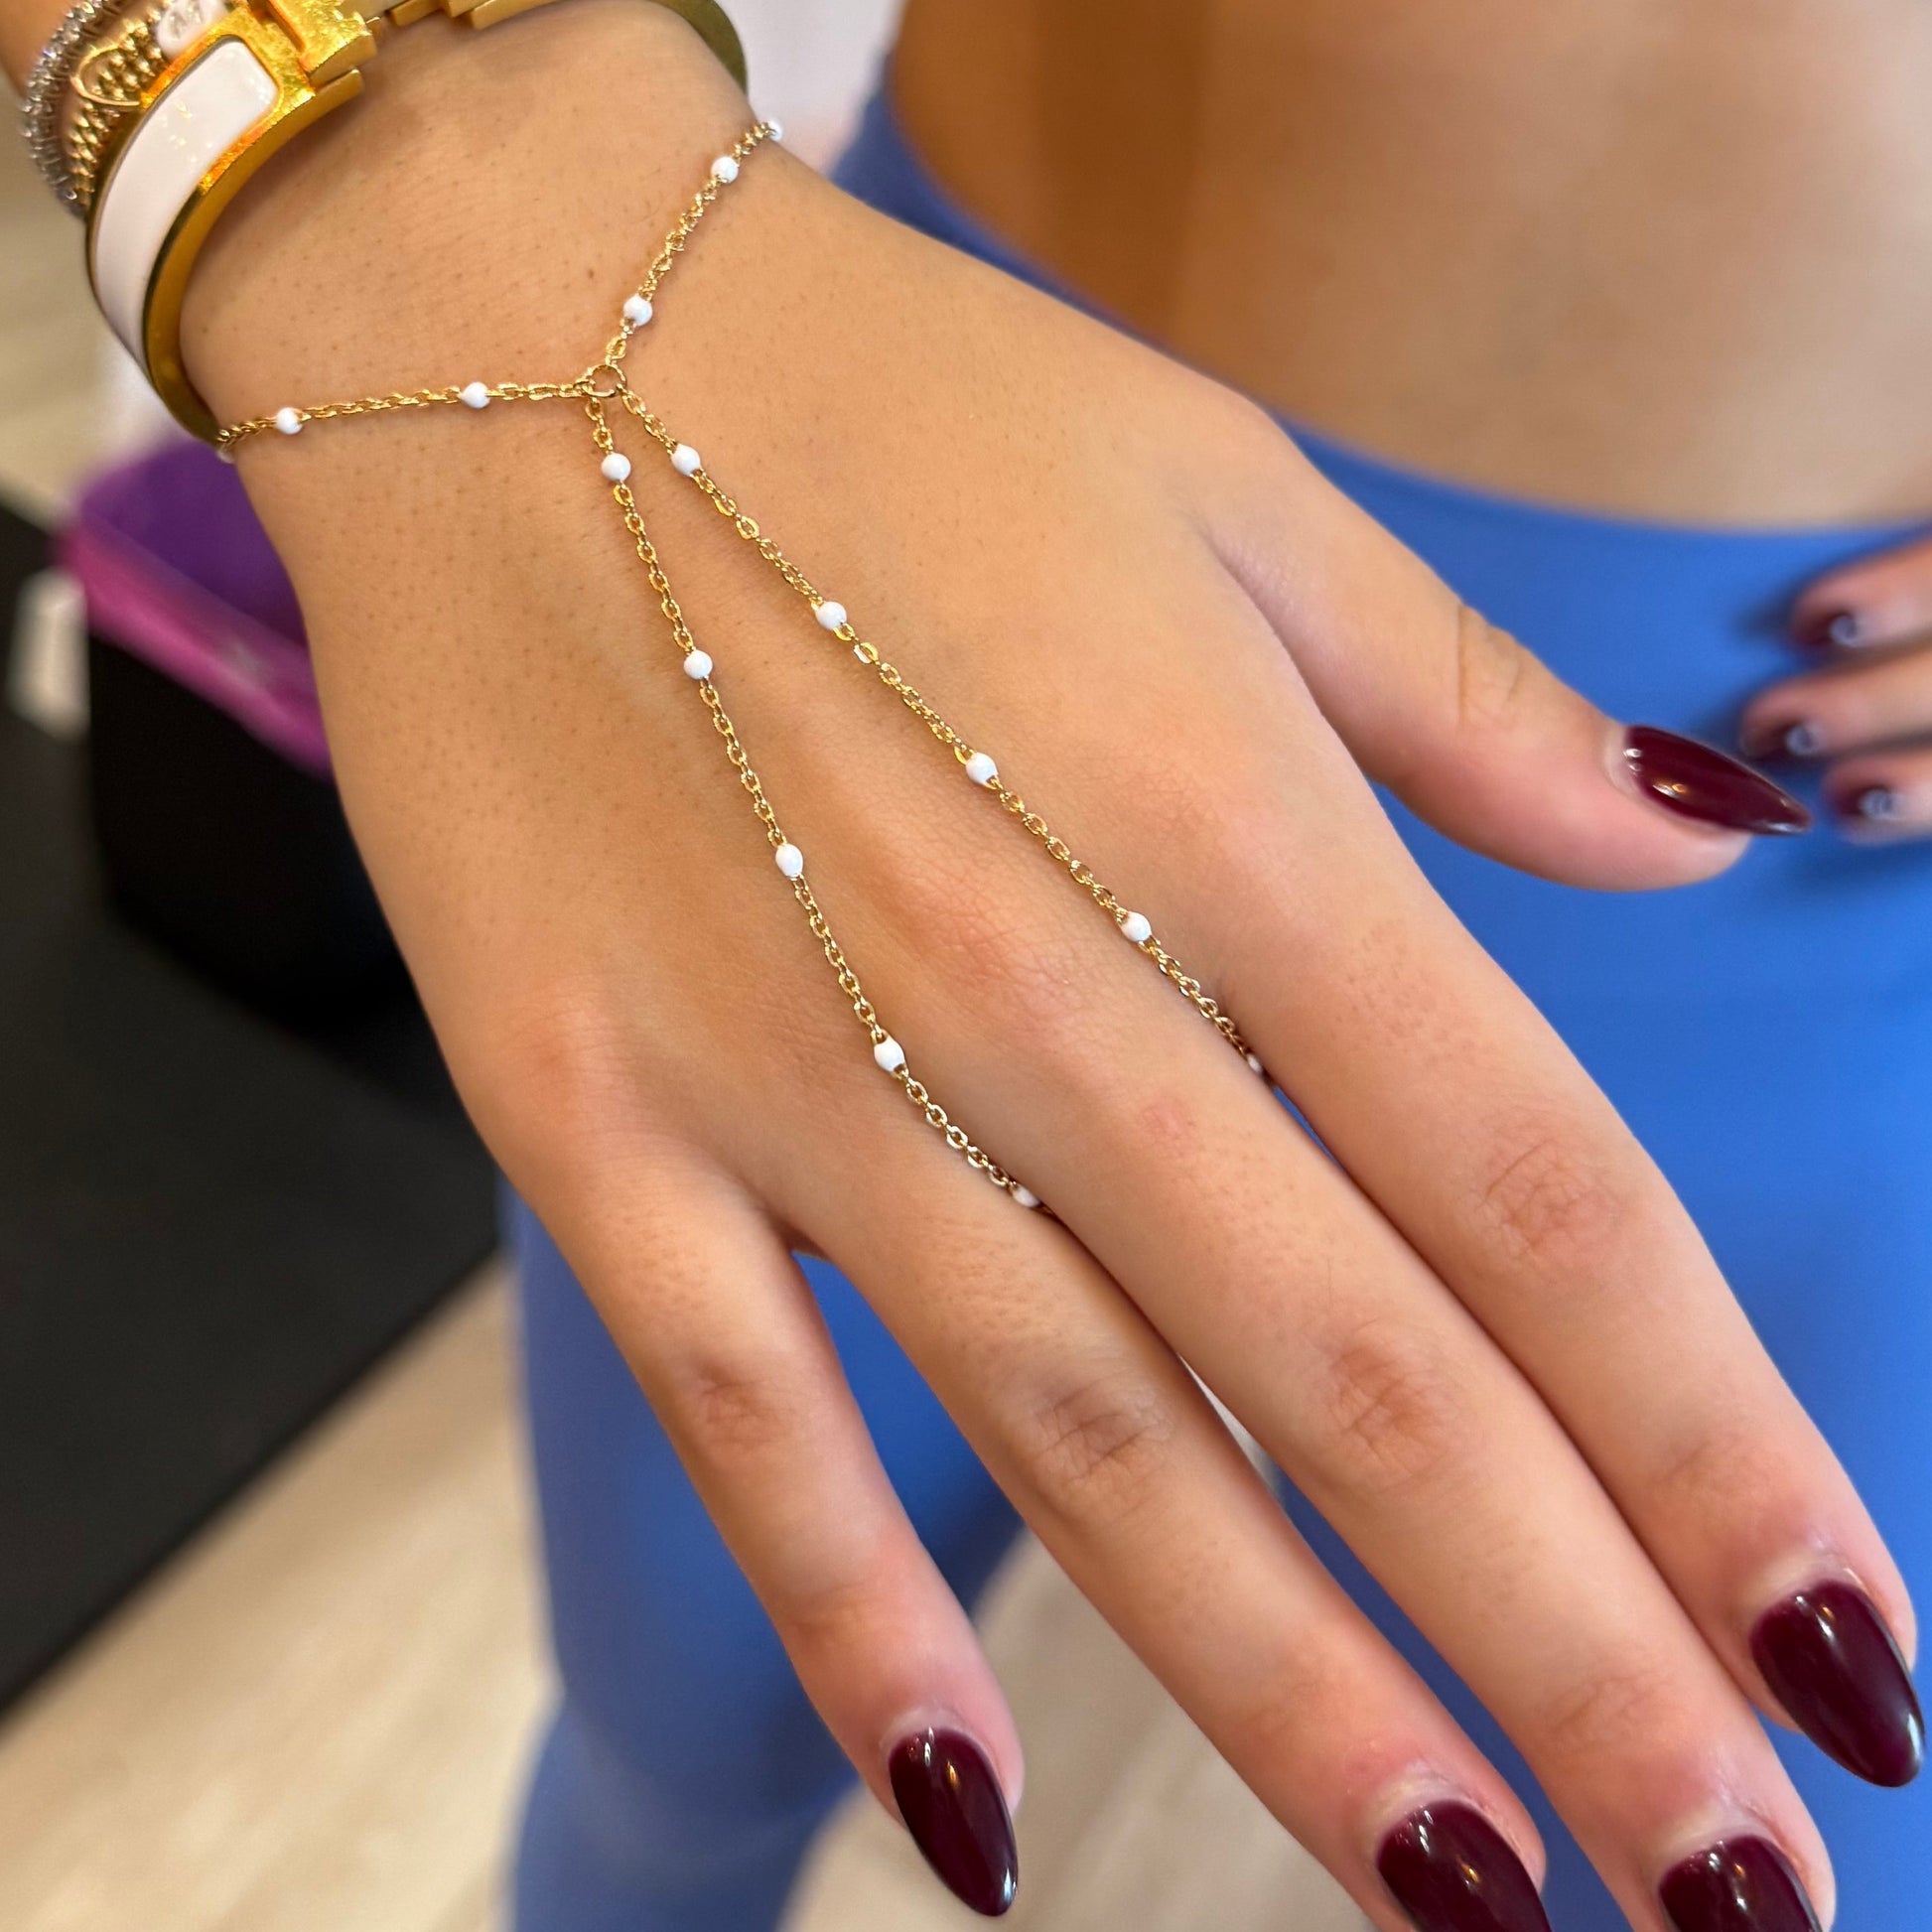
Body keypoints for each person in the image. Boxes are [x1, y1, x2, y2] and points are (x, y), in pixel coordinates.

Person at [4, 1, 1925, 1928]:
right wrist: (378, 184)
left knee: (1777, 1834)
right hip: (881, 538)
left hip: (1822, 826)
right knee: (693, 1732)